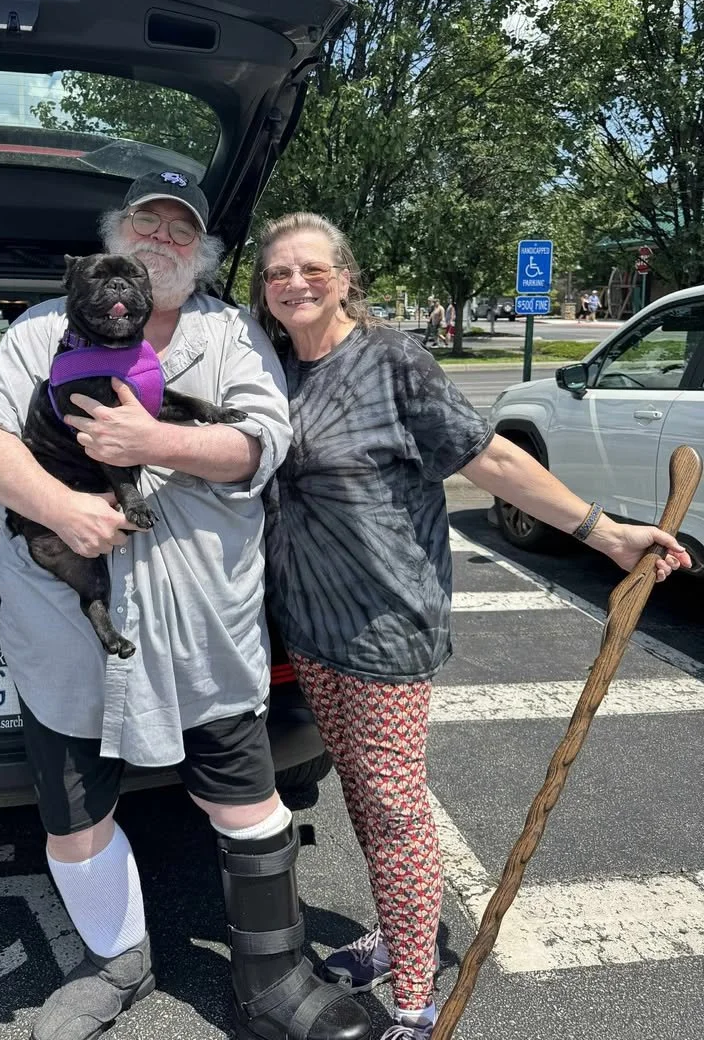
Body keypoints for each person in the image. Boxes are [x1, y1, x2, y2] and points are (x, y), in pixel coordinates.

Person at [250, 212, 690, 1040]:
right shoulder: (276, 369)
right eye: (278, 272)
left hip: (385, 626)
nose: (294, 283)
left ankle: (416, 1002)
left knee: (394, 808)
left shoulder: (391, 360)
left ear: (345, 277)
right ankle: (402, 933)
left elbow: (490, 457)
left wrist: (603, 532)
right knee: (365, 799)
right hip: (307, 626)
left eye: (311, 268)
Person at [0, 176, 370, 1040]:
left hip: (203, 627)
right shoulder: (40, 330)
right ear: (116, 238)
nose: (163, 241)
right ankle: (117, 965)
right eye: (148, 224)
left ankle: (273, 979)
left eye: (182, 231)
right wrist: (61, 507)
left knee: (247, 802)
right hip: (67, 626)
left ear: (203, 252)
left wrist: (154, 441)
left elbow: (262, 440)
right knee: (75, 815)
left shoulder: (231, 332)